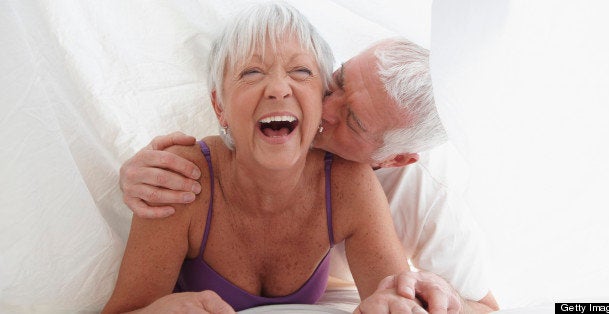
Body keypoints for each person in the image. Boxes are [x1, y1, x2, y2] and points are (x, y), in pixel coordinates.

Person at [119, 38, 499, 313]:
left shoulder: (422, 191)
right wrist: (132, 172)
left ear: (394, 159)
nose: (323, 108)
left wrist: (448, 302)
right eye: (337, 83)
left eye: (352, 121)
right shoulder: (283, 102)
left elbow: (485, 307)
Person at [104, 2, 422, 313]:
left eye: (300, 71)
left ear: (320, 98)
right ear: (219, 106)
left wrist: (394, 305)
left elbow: (395, 299)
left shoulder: (348, 181)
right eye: (252, 72)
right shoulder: (181, 177)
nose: (278, 88)